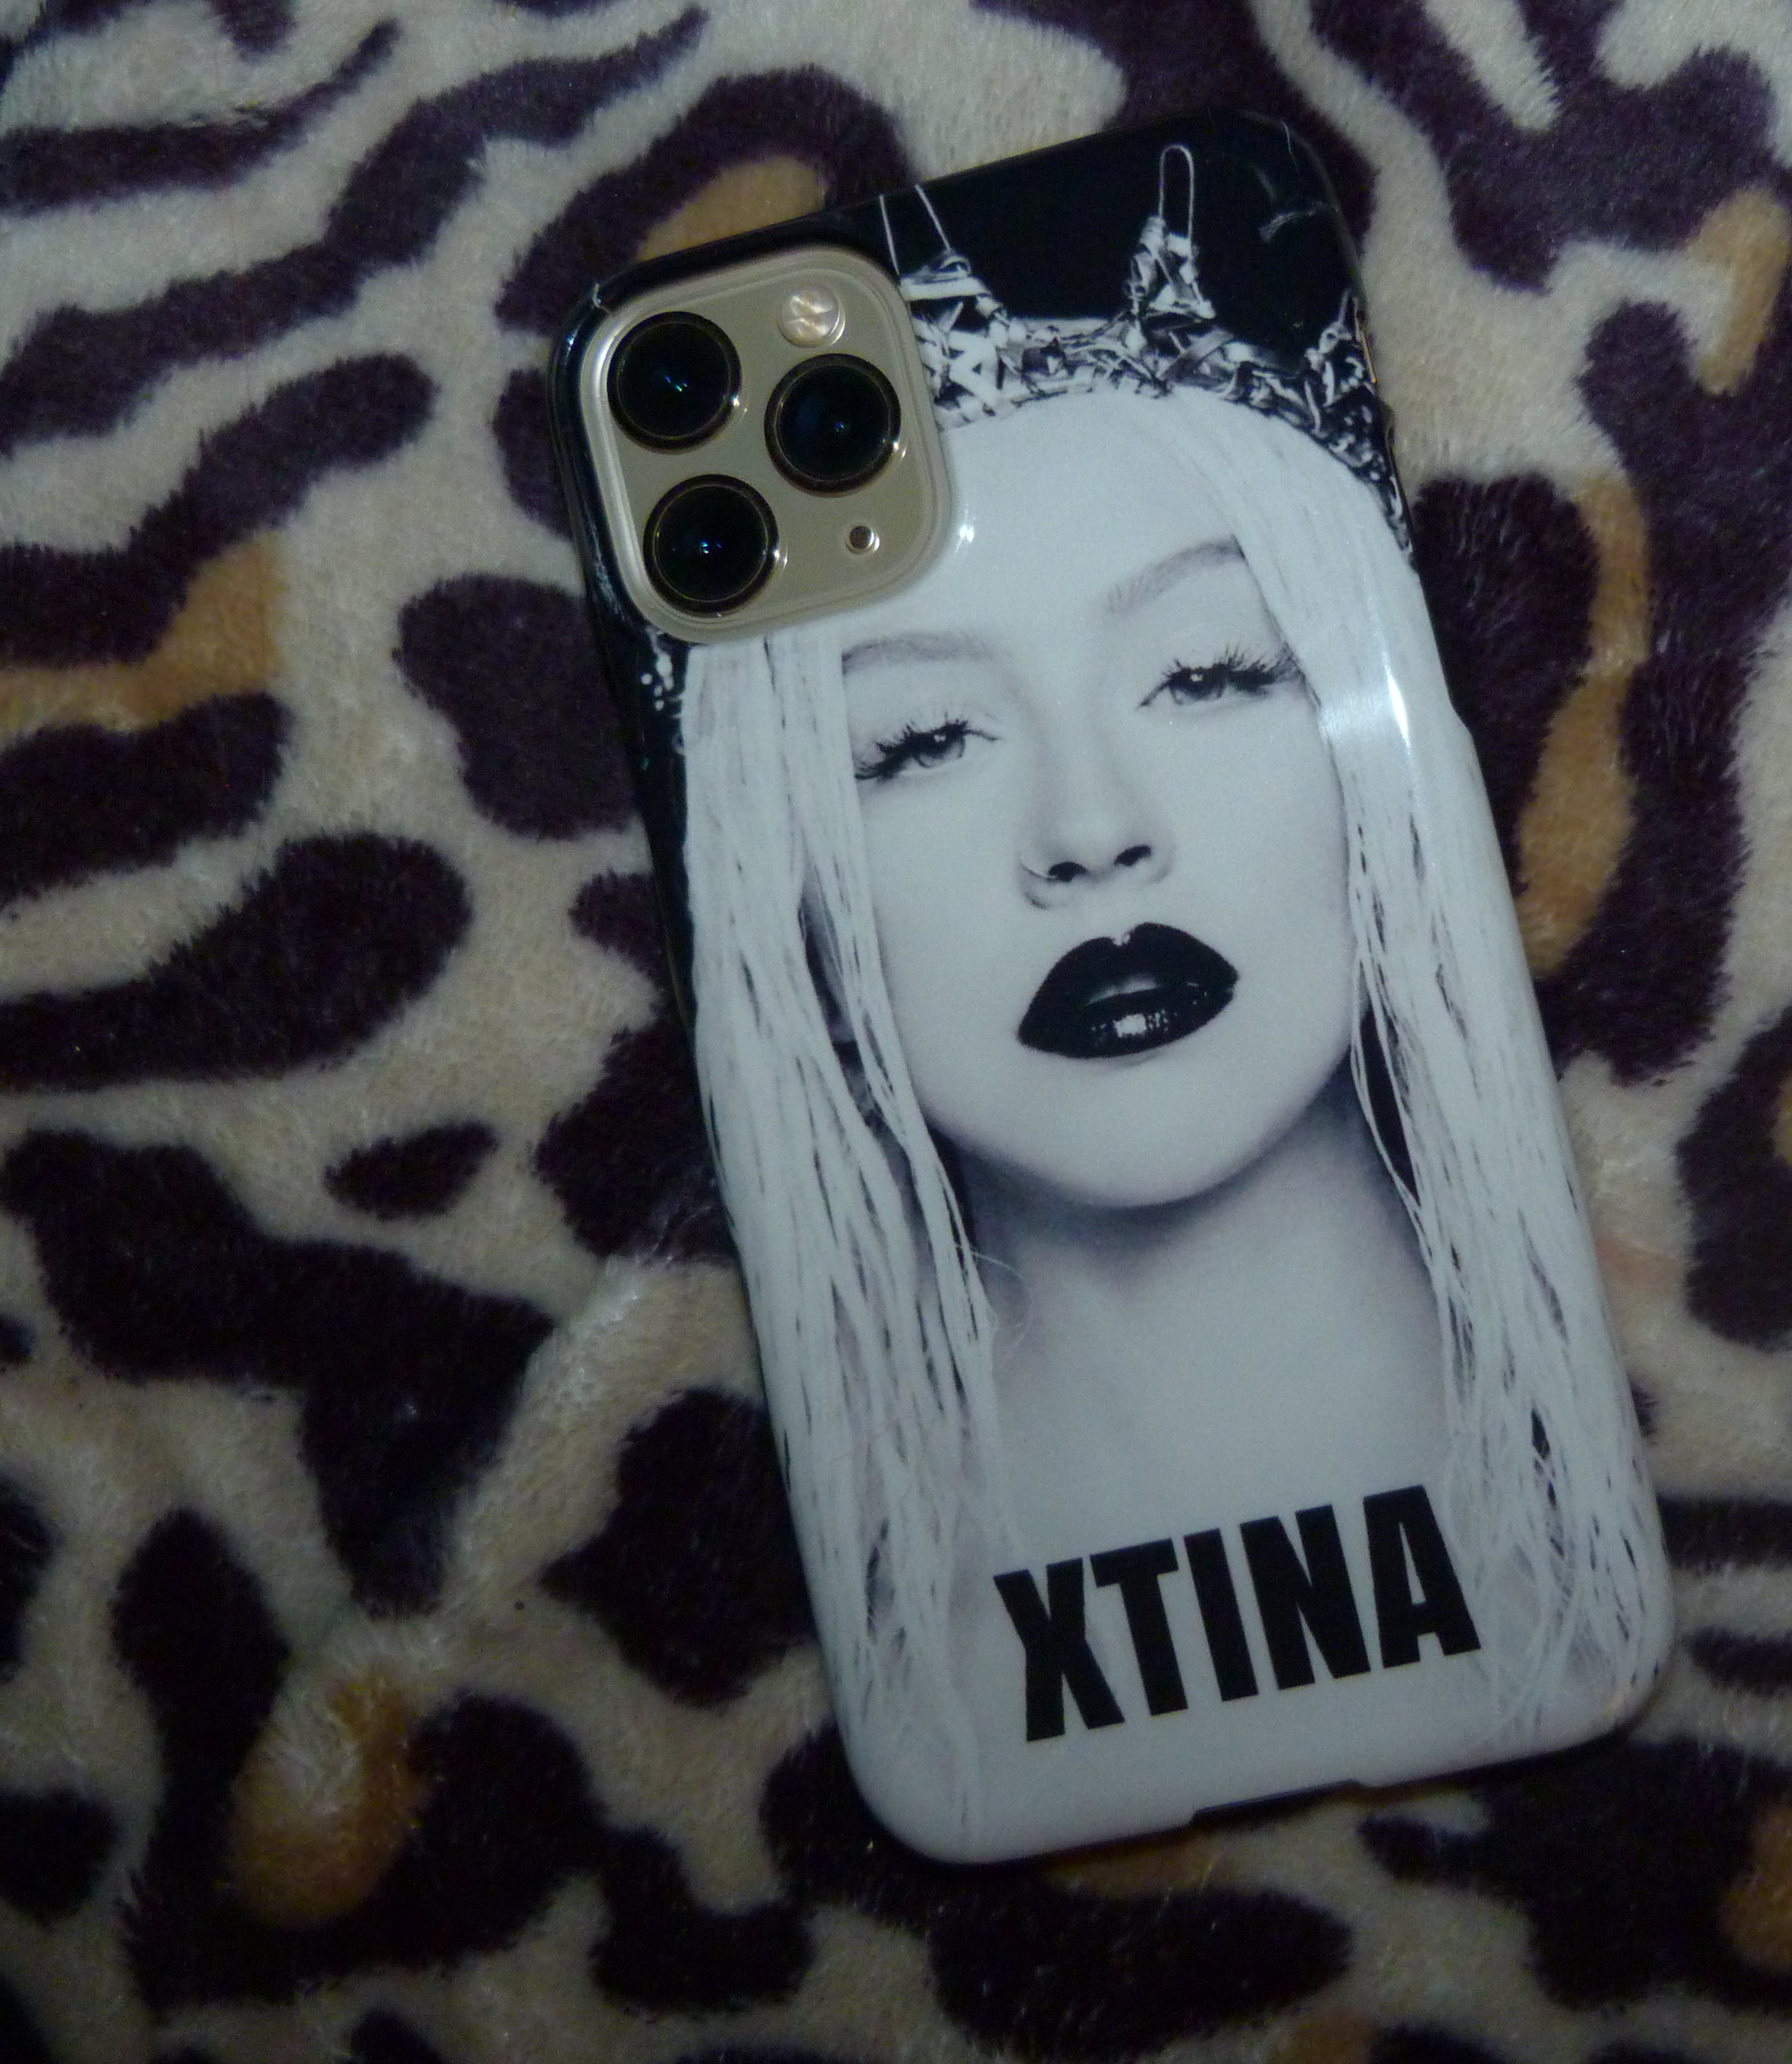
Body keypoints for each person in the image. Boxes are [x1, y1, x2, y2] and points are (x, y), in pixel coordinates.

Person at [678, 207, 1661, 1856]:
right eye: (920, 740)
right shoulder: (856, 1691)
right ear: (788, 882)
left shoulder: (1682, 1425)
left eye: (1205, 673)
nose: (1090, 828)